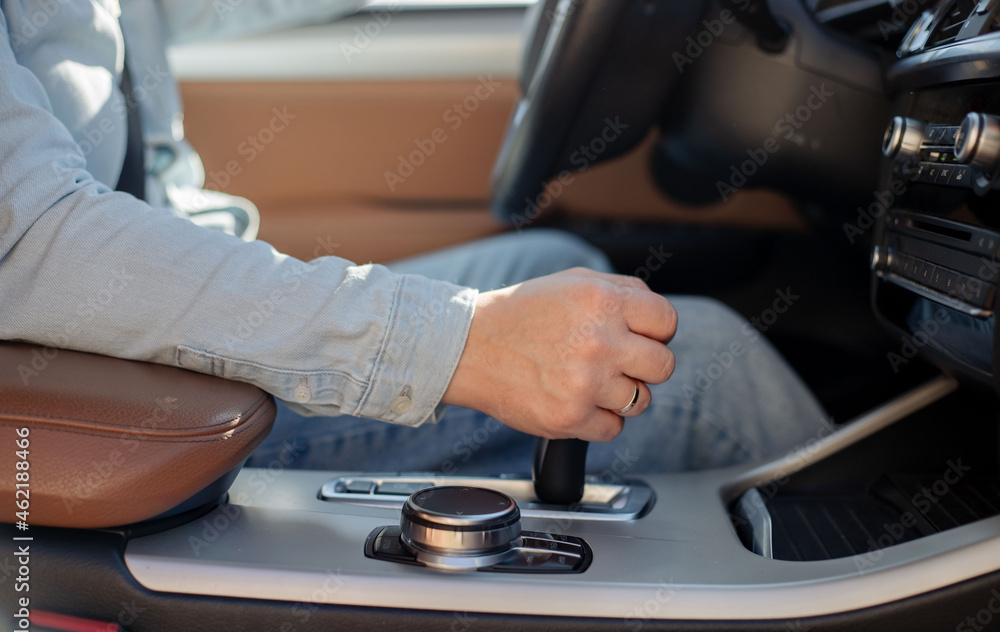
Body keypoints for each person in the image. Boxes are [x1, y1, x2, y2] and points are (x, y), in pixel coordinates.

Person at [0, 0, 827, 480]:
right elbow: (26, 241)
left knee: (549, 270)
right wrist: (467, 344)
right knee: (705, 368)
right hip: (90, 407)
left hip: (139, 328)